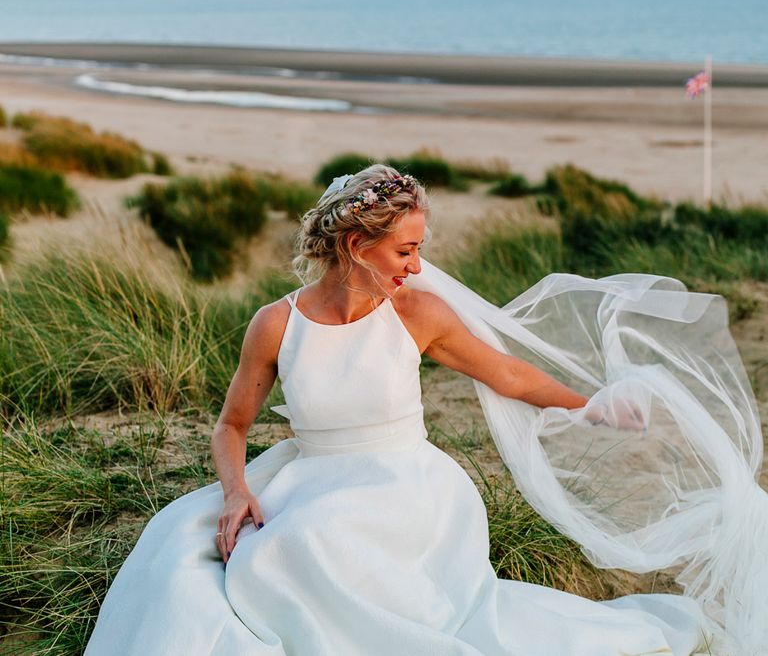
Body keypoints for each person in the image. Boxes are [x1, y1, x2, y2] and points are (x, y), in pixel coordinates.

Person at [85, 164, 763, 655]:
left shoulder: (417, 314)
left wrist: (591, 406)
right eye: (406, 250)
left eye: (420, 249)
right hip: (307, 473)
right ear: (356, 246)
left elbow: (506, 373)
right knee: (188, 554)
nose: (417, 264)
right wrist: (235, 491)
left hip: (409, 490)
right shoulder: (276, 323)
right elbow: (232, 425)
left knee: (297, 548)